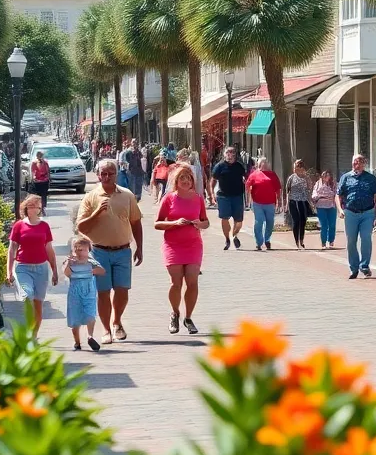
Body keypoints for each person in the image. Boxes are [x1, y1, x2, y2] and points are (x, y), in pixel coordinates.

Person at [76, 159, 144, 344]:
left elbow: (136, 222)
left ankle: (117, 322)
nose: (107, 177)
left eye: (110, 173)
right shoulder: (91, 197)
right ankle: (106, 330)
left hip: (122, 250)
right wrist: (97, 212)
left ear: (116, 174)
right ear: (98, 175)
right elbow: (81, 226)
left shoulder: (127, 195)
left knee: (122, 290)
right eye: (103, 173)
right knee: (103, 292)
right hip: (99, 252)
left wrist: (140, 247)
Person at [155, 164, 209, 335]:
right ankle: (175, 313)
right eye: (182, 178)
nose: (186, 181)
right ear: (176, 181)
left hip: (193, 244)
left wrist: (200, 224)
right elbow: (157, 223)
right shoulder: (169, 199)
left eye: (189, 178)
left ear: (193, 181)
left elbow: (205, 221)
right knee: (176, 282)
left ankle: (188, 318)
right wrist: (174, 223)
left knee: (192, 281)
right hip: (173, 245)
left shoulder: (198, 198)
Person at [6, 195, 59, 332]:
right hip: (23, 267)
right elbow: (12, 249)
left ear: (40, 209)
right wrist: (9, 271)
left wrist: (55, 271)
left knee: (38, 304)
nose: (34, 208)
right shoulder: (19, 225)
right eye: (31, 206)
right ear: (26, 208)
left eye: (37, 206)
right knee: (27, 295)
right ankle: (27, 329)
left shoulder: (44, 226)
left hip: (41, 268)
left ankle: (33, 335)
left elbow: (49, 249)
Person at [338, 154, 376, 279]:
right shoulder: (345, 178)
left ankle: (365, 266)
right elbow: (338, 195)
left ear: (364, 164)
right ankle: (354, 268)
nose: (358, 164)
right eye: (356, 162)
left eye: (361, 162)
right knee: (351, 241)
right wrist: (340, 209)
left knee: (366, 238)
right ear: (352, 163)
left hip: (367, 213)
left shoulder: (371, 178)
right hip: (350, 212)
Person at [62, 235, 103, 351]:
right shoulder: (70, 262)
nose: (80, 252)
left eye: (83, 249)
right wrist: (68, 264)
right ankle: (77, 342)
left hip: (89, 292)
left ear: (88, 250)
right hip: (75, 294)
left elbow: (102, 270)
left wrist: (93, 271)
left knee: (90, 314)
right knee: (75, 319)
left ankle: (90, 336)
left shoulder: (91, 262)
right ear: (73, 250)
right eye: (77, 249)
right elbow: (67, 274)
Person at [212, 146, 248, 250]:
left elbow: (246, 177)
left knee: (239, 221)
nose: (230, 154)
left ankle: (234, 235)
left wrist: (246, 182)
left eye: (232, 152)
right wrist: (211, 195)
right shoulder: (219, 166)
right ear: (224, 154)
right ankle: (227, 239)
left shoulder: (239, 166)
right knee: (224, 218)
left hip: (237, 196)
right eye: (228, 152)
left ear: (235, 155)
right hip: (223, 196)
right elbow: (213, 180)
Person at [247, 157, 282, 251]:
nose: (265, 164)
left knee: (270, 222)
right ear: (259, 164)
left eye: (266, 162)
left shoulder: (272, 175)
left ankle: (267, 240)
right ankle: (259, 242)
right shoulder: (254, 174)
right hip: (257, 203)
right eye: (263, 163)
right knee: (259, 221)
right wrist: (248, 198)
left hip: (270, 203)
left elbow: (278, 188)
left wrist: (279, 201)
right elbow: (247, 185)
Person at [285, 160, 312, 250]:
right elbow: (287, 191)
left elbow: (309, 188)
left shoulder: (306, 178)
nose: (296, 169)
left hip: (303, 201)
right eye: (295, 167)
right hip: (293, 201)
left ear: (302, 168)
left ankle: (301, 239)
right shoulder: (291, 178)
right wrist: (286, 204)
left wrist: (311, 202)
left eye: (298, 167)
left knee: (303, 220)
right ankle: (297, 241)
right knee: (296, 221)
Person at [312, 170, 339, 249]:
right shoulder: (318, 183)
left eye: (328, 175)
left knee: (332, 224)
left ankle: (331, 240)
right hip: (321, 206)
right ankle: (323, 242)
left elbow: (337, 193)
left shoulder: (334, 184)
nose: (327, 177)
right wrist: (315, 196)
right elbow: (314, 192)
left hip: (331, 206)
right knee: (324, 225)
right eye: (325, 175)